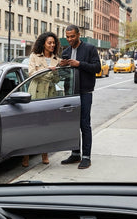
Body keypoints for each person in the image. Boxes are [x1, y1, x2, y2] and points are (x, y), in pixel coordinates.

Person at [59, 25, 101, 169]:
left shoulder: (90, 49)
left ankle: (86, 157)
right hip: (70, 92)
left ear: (78, 35)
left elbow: (97, 68)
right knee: (72, 124)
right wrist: (62, 66)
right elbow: (62, 75)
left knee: (84, 124)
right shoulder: (65, 52)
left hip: (85, 92)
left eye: (72, 36)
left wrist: (79, 64)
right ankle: (75, 154)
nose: (70, 39)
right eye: (67, 36)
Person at [22, 32, 61, 167]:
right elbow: (32, 74)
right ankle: (26, 156)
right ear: (43, 43)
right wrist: (47, 70)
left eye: (53, 43)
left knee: (46, 125)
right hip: (36, 94)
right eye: (49, 43)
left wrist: (55, 72)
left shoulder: (57, 59)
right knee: (31, 126)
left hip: (49, 93)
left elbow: (57, 79)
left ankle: (44, 154)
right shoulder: (34, 56)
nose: (52, 45)